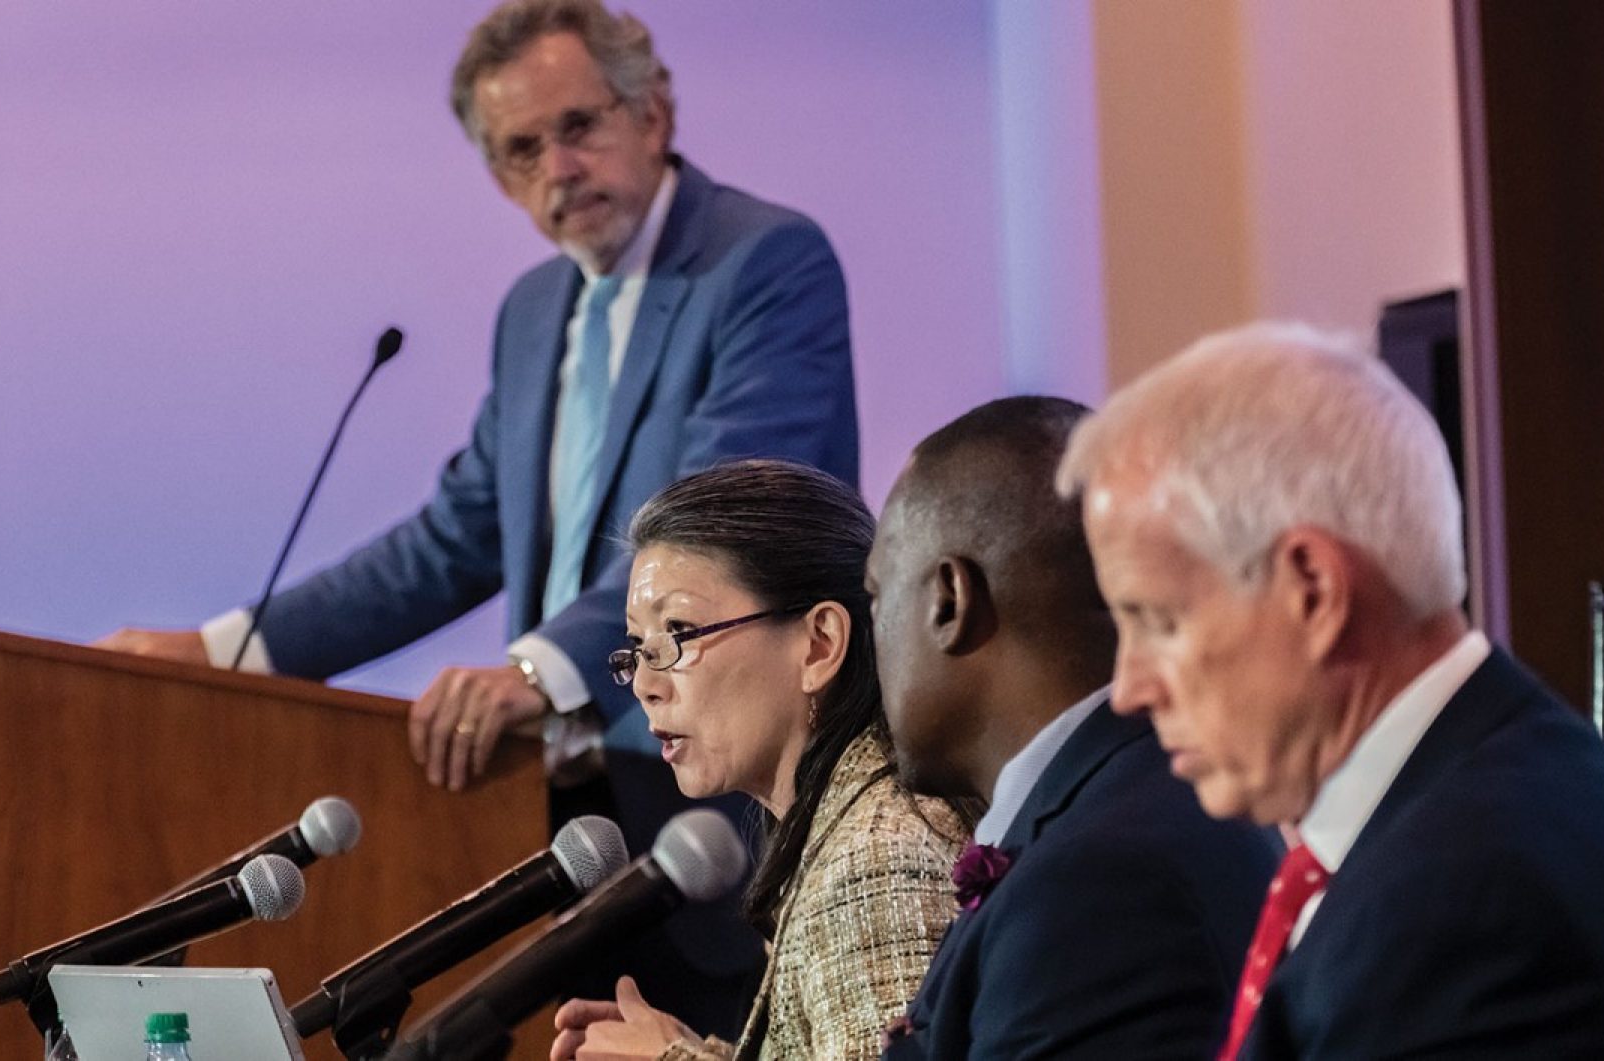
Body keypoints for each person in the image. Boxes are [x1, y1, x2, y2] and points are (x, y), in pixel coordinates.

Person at [100, 0, 859, 1030]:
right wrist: (226, 648)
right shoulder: (536, 308)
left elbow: (714, 537)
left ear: (654, 112)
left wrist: (532, 673)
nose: (558, 166)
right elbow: (453, 536)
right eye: (521, 148)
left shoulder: (763, 263)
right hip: (547, 819)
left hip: (711, 808)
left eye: (579, 126)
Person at [1057, 322, 1604, 1059]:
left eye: (1158, 621)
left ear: (1313, 589)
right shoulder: (1485, 812)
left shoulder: (1467, 901)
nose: (1129, 689)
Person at [867, 397, 1278, 1059]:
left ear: (949, 599)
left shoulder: (1098, 880)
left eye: (877, 594)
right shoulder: (1130, 800)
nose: (872, 638)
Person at [551, 460, 971, 1061]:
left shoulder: (874, 858)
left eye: (679, 631)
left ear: (819, 644)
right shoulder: (838, 823)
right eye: (638, 647)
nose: (644, 682)